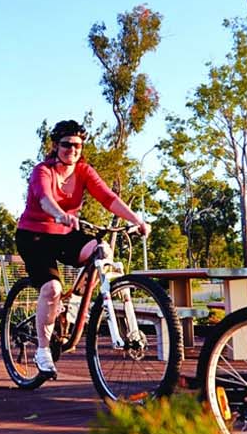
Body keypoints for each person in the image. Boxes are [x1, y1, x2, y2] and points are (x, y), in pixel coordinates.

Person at [14, 120, 151, 377]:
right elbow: (45, 199)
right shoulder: (43, 171)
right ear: (56, 146)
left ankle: (73, 304)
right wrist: (59, 214)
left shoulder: (84, 171)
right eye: (67, 144)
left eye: (78, 145)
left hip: (66, 235)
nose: (73, 150)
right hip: (34, 236)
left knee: (102, 251)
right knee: (52, 288)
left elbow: (109, 198)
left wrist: (136, 220)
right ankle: (43, 351)